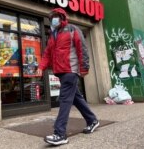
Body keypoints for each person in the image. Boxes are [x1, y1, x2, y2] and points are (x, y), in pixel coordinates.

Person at [36, 8, 99, 146]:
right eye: (52, 17)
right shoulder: (53, 35)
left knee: (64, 100)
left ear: (62, 17)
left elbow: (82, 48)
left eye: (56, 16)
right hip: (60, 72)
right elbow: (47, 54)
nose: (54, 19)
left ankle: (60, 134)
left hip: (71, 71)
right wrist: (41, 66)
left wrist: (84, 67)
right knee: (76, 98)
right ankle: (92, 120)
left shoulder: (72, 29)